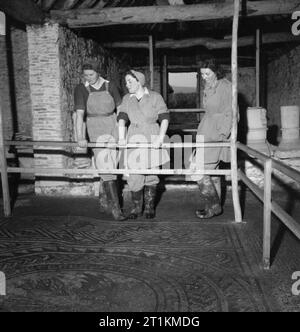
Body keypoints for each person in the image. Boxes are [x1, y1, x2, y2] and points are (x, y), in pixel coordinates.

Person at [74, 60, 126, 221]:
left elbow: (121, 110)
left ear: (99, 72)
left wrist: (121, 132)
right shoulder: (81, 89)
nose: (88, 78)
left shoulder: (111, 86)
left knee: (112, 164)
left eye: (91, 74)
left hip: (112, 125)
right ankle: (116, 209)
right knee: (105, 165)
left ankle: (104, 201)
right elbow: (79, 115)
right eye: (85, 75)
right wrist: (80, 137)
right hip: (95, 128)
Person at [117, 70, 170, 219]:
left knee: (151, 174)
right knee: (135, 175)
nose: (127, 85)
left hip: (151, 135)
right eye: (126, 82)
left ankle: (149, 207)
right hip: (134, 136)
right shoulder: (127, 98)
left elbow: (164, 117)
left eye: (130, 82)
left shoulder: (154, 97)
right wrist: (122, 137)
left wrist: (160, 137)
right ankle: (135, 208)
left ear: (139, 81)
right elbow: (122, 118)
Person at [190, 59, 234, 219]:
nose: (204, 77)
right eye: (202, 74)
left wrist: (222, 134)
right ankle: (212, 207)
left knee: (197, 170)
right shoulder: (209, 86)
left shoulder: (226, 87)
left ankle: (214, 206)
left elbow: (231, 113)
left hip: (217, 132)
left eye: (207, 73)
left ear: (217, 72)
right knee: (212, 171)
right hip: (206, 129)